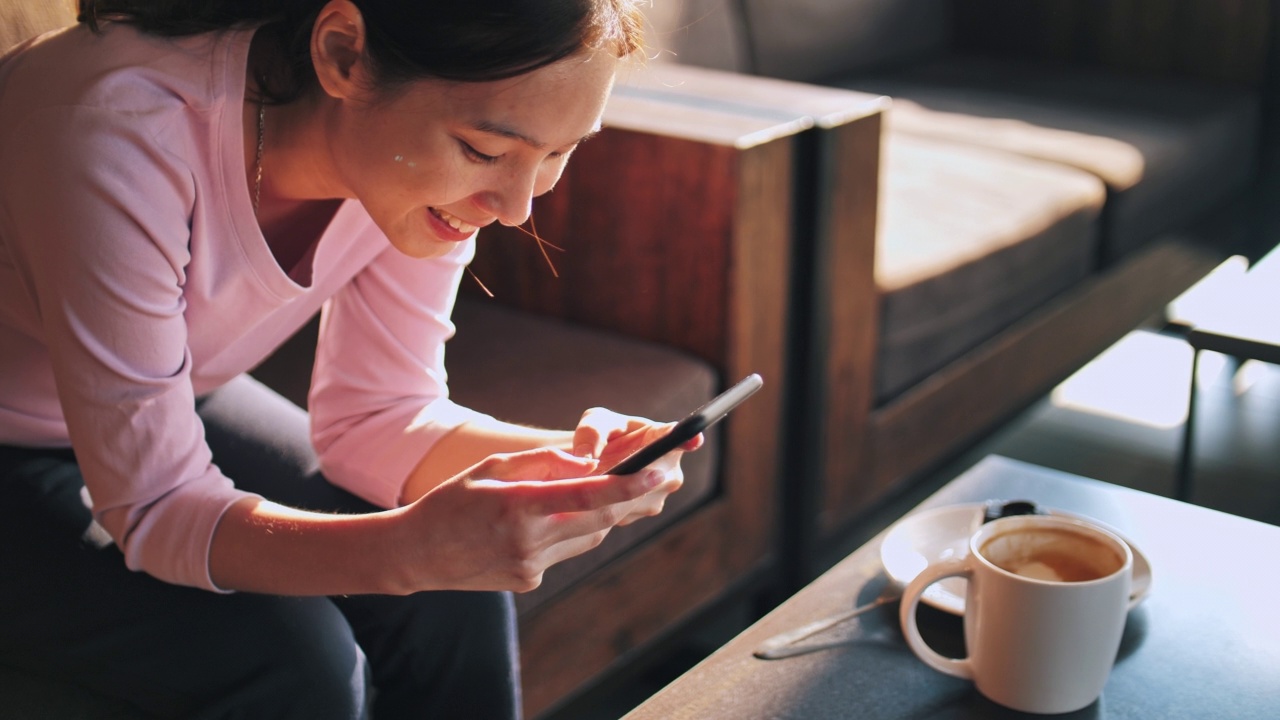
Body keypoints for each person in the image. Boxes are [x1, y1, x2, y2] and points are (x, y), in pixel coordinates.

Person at [0, 1, 699, 717]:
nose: (516, 206)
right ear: (341, 55)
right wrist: (412, 549)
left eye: (557, 153)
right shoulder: (117, 131)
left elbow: (379, 415)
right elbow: (155, 507)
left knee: (456, 591)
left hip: (167, 388)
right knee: (296, 660)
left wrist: (578, 461)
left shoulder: (412, 167)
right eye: (485, 151)